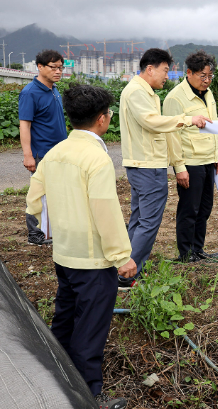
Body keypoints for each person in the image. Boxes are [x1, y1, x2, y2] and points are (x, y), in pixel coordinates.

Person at [26, 84, 137, 409]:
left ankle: (54, 381)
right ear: (103, 119)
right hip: (93, 262)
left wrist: (47, 227)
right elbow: (105, 211)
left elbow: (35, 198)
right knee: (90, 330)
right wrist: (122, 257)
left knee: (64, 318)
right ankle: (89, 395)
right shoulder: (96, 158)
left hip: (64, 254)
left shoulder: (56, 152)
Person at [118, 48, 211, 287]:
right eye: (165, 70)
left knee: (139, 220)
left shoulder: (146, 92)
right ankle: (128, 275)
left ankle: (128, 267)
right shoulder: (137, 91)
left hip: (149, 163)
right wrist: (189, 119)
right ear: (150, 69)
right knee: (148, 222)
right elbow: (151, 121)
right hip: (147, 165)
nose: (166, 77)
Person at [163, 50, 218, 262]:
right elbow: (171, 136)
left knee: (205, 208)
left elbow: (214, 123)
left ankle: (198, 250)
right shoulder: (175, 98)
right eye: (202, 76)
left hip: (209, 160)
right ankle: (186, 253)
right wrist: (179, 168)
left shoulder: (208, 94)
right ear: (189, 73)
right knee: (190, 209)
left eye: (210, 76)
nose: (207, 81)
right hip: (190, 163)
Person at [18, 50, 68, 245]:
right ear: (40, 67)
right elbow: (25, 125)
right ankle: (35, 234)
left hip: (58, 151)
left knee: (56, 193)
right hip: (41, 153)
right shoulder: (30, 92)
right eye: (53, 67)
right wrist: (28, 155)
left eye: (60, 68)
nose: (58, 71)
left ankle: (52, 231)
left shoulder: (54, 89)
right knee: (38, 193)